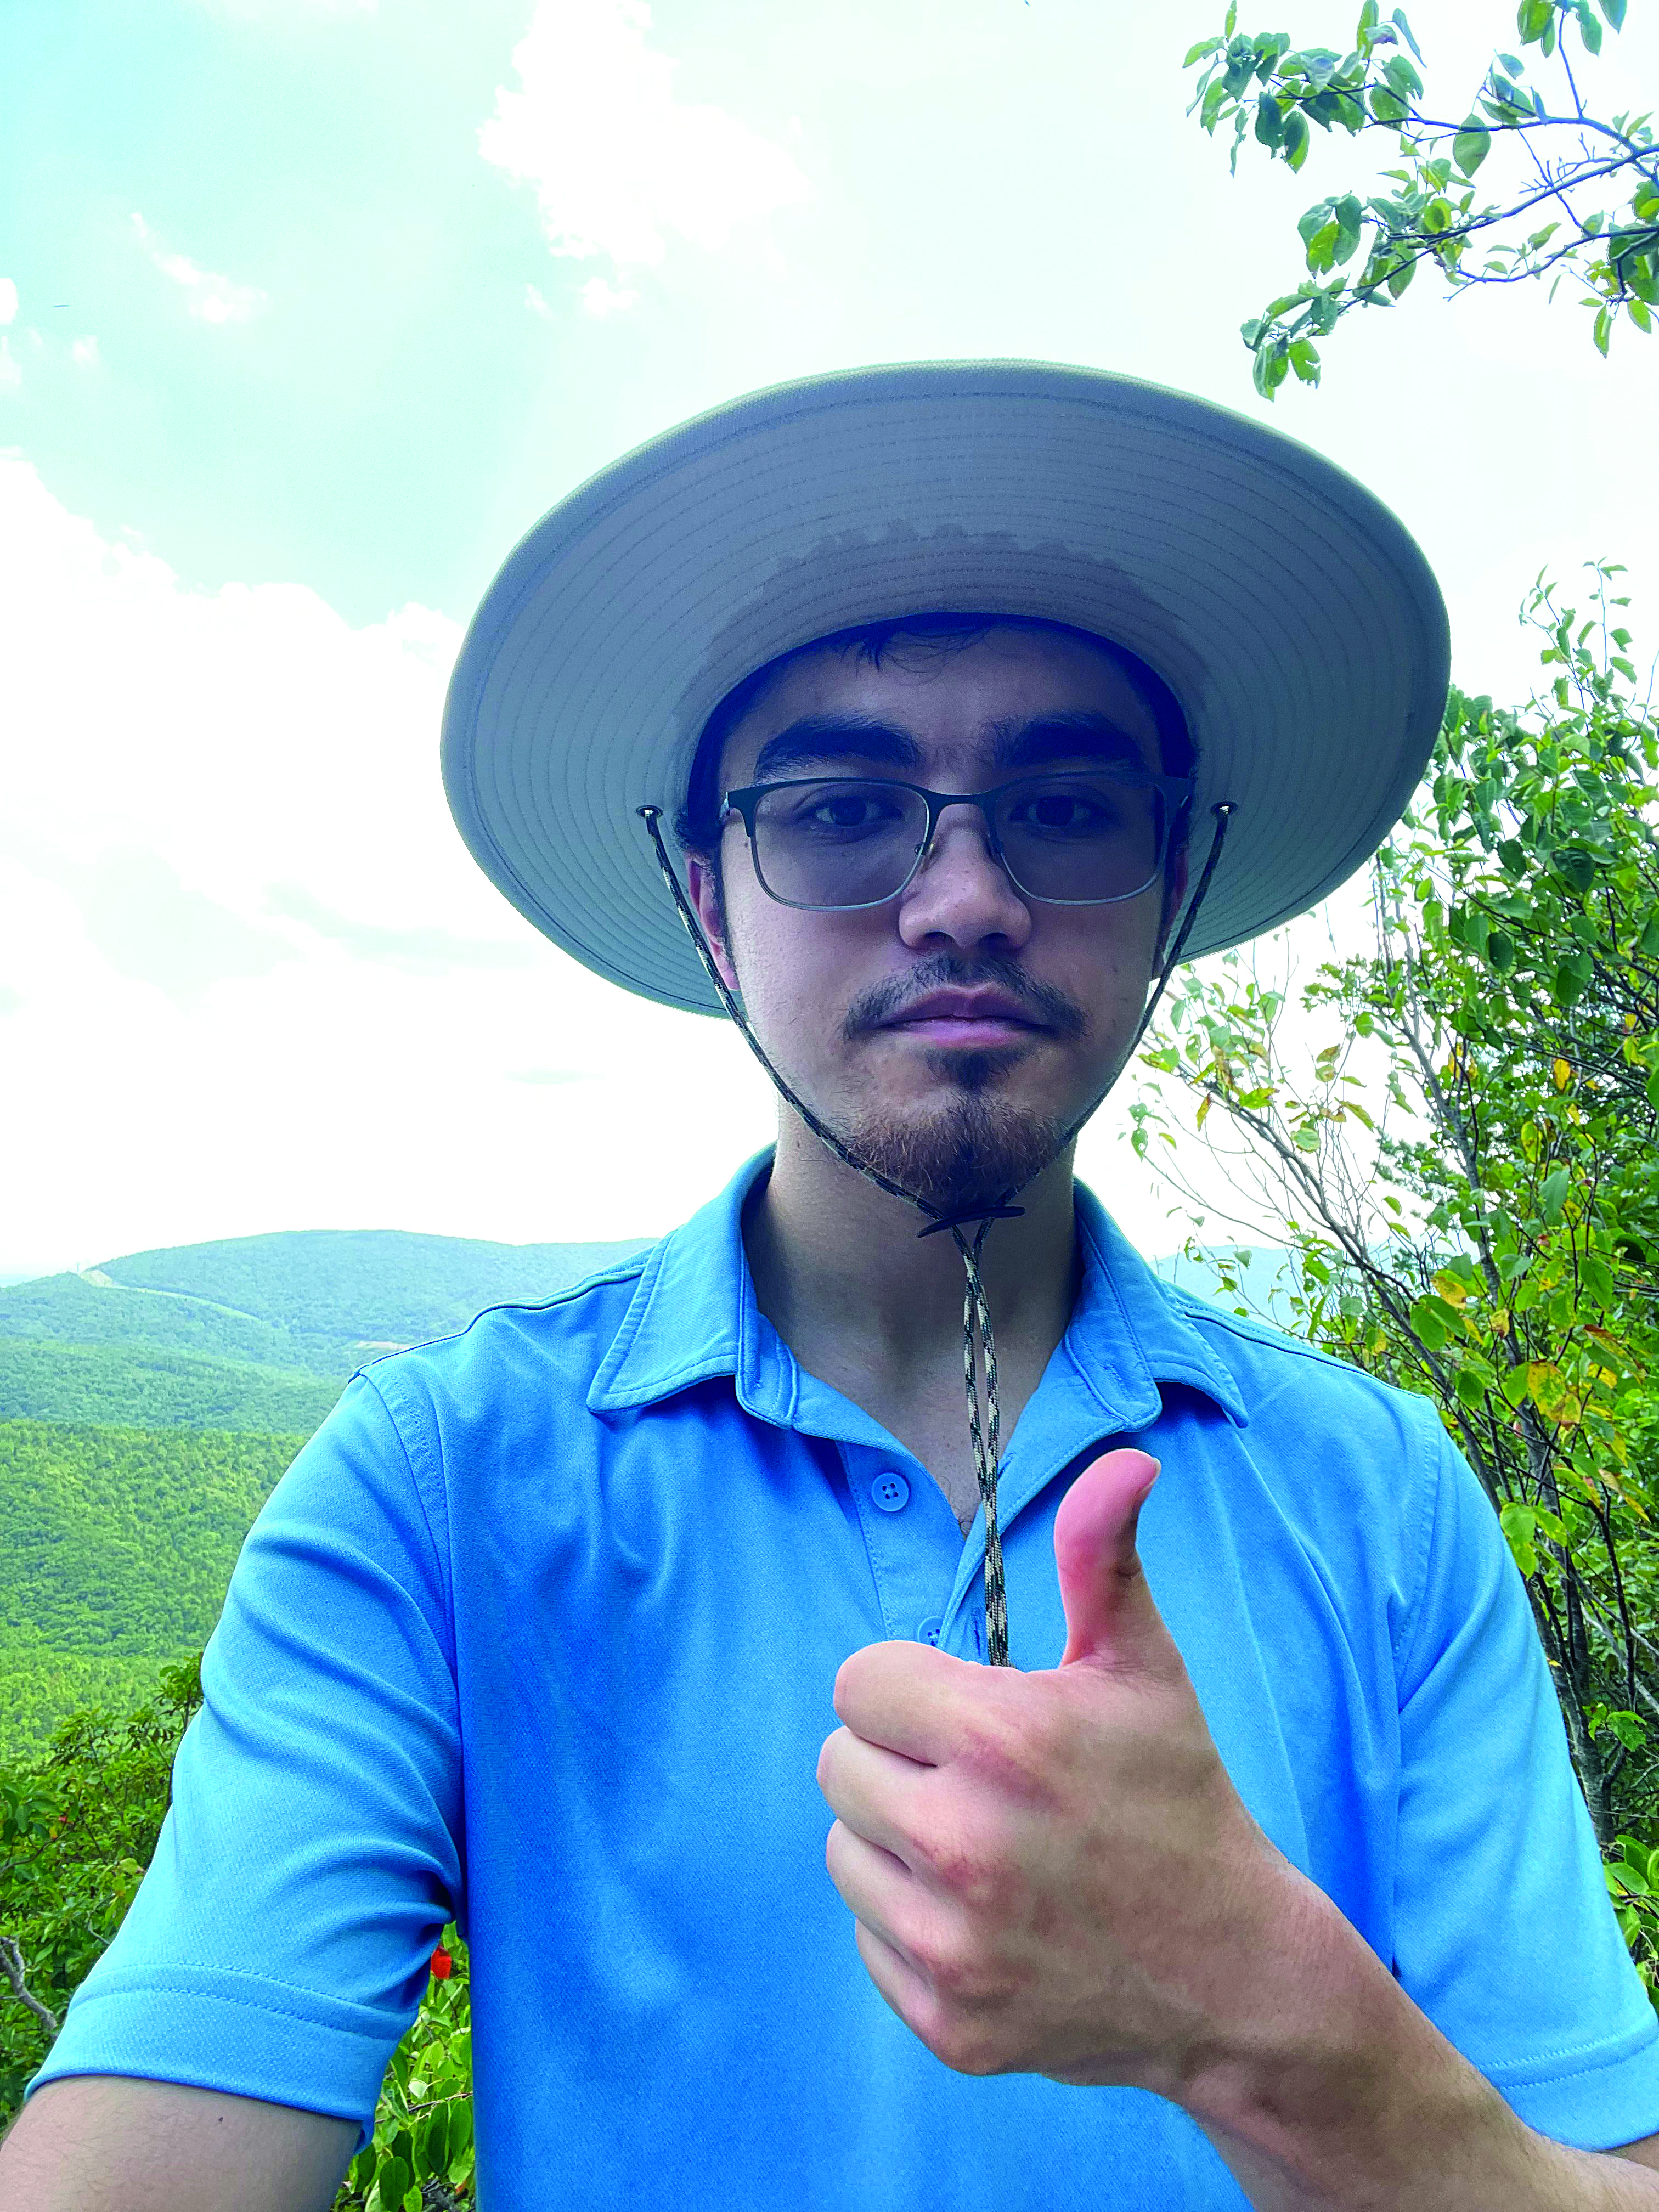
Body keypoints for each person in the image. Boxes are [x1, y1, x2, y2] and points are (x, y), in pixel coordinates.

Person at [8, 362, 1659, 2212]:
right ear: (709, 901)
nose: (960, 897)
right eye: (840, 805)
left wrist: (1259, 2019)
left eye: (1068, 799)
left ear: (1173, 882)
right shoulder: (443, 1484)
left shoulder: (1383, 1496)